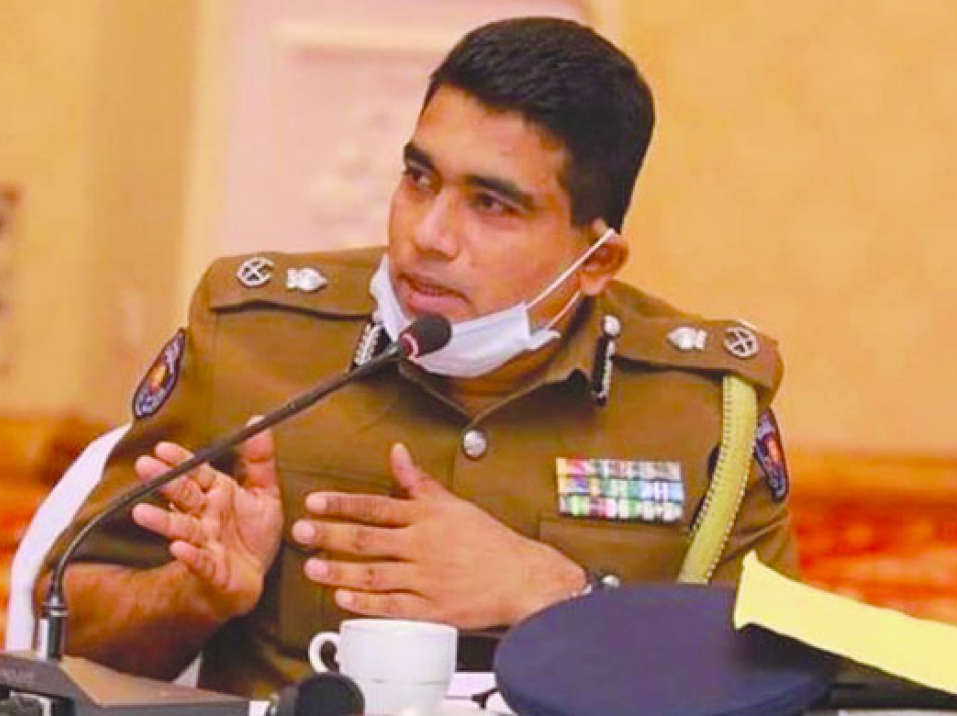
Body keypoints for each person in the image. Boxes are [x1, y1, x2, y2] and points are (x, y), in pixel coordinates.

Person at [41, 16, 798, 698]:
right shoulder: (254, 340)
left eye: (491, 204)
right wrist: (192, 597)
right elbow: (63, 625)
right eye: (419, 178)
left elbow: (777, 681)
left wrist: (557, 596)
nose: (428, 235)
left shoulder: (705, 409)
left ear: (596, 261)